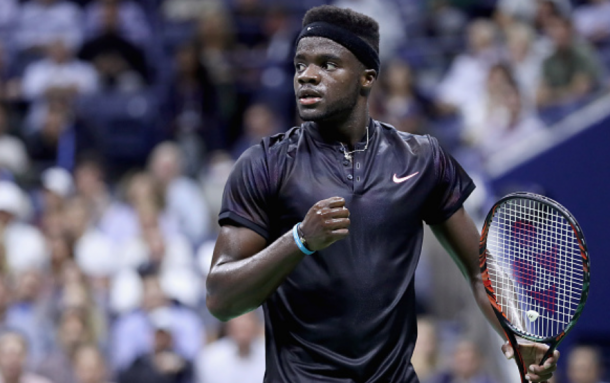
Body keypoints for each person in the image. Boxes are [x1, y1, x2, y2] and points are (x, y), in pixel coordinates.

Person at [206, 5, 559, 382]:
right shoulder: (264, 164)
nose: (307, 76)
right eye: (300, 65)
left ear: (367, 77)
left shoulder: (423, 159)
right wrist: (300, 240)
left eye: (327, 64)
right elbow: (221, 299)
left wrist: (517, 332)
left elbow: (478, 268)